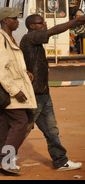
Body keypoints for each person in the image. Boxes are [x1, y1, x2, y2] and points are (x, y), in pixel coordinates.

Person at [20, 13, 85, 171]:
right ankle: (3, 156)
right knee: (22, 129)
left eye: (44, 22)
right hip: (34, 94)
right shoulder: (30, 38)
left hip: (43, 92)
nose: (44, 25)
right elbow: (54, 31)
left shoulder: (33, 40)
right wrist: (76, 21)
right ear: (32, 26)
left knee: (51, 129)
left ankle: (60, 161)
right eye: (40, 23)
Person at [0, 7, 37, 176]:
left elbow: (9, 64)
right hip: (10, 90)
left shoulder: (8, 38)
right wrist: (15, 90)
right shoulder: (1, 39)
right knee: (21, 122)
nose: (17, 21)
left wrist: (24, 73)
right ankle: (6, 160)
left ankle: (0, 161)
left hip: (9, 89)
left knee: (4, 125)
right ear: (5, 20)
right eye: (14, 18)